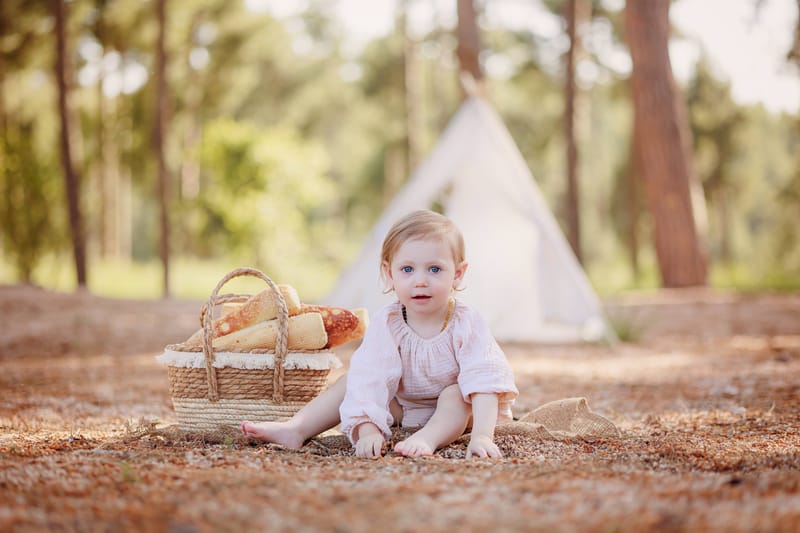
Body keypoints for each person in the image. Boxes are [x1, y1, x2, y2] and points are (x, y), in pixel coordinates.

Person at [241, 209, 518, 458]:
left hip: (457, 412)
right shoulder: (388, 322)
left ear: (457, 274)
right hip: (402, 408)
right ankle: (296, 428)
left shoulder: (465, 322)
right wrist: (368, 429)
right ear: (389, 273)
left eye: (435, 269)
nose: (420, 280)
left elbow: (484, 379)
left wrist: (483, 435)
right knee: (352, 379)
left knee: (456, 394)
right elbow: (370, 377)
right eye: (407, 269)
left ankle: (427, 439)